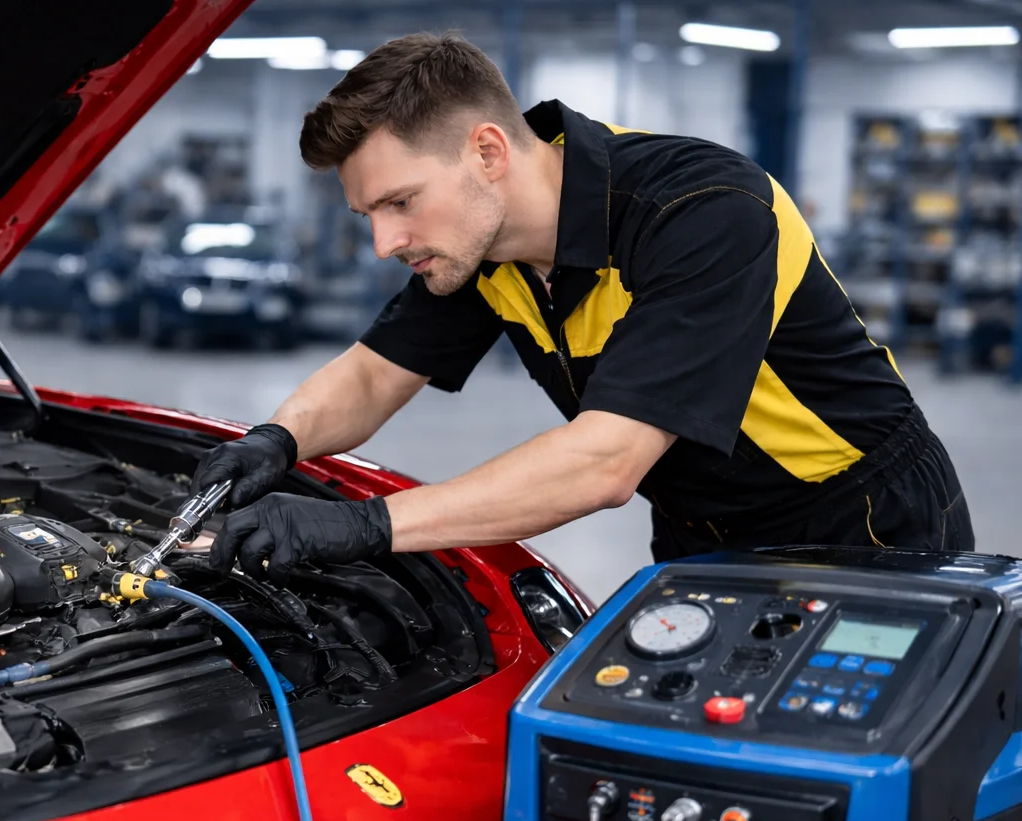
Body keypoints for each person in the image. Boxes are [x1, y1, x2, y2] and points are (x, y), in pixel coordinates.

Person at [198, 32, 971, 584]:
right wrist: (276, 440)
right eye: (369, 214)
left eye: (400, 202)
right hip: (699, 527)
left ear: (489, 153)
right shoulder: (482, 242)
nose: (384, 241)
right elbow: (373, 375)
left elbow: (606, 462)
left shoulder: (703, 210)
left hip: (860, 522)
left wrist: (369, 526)